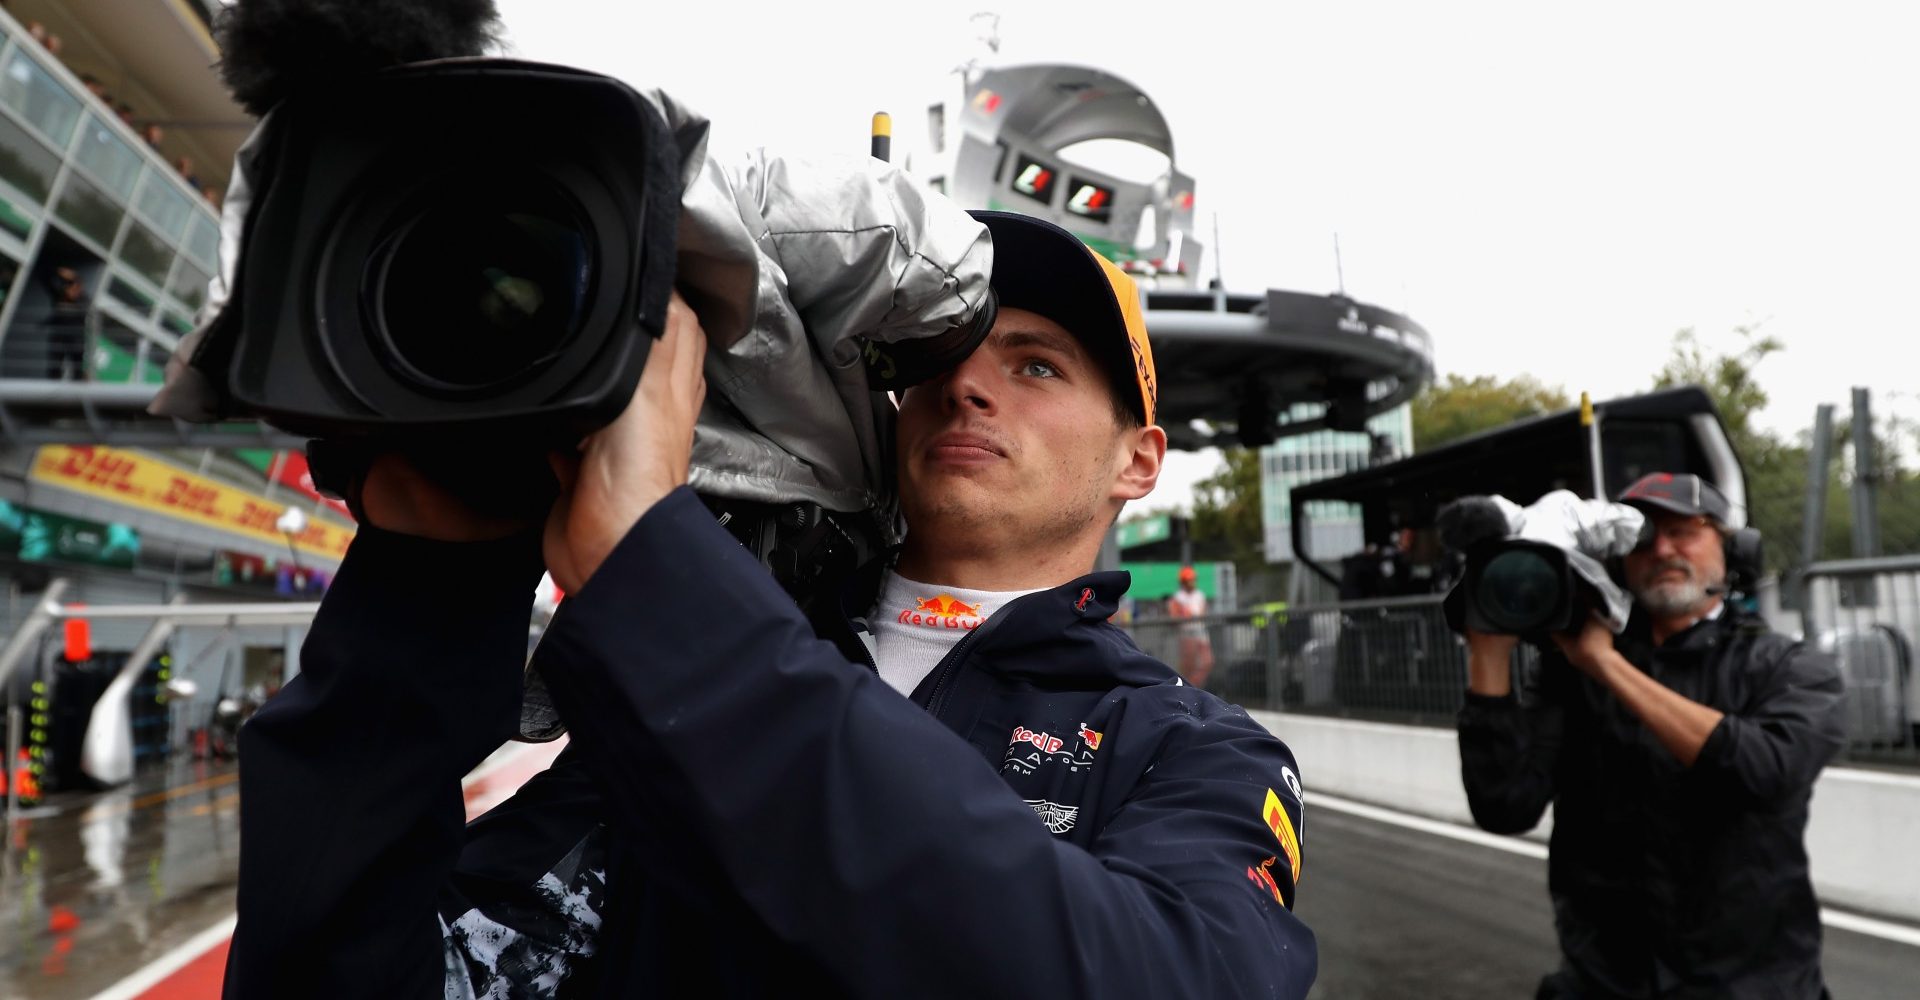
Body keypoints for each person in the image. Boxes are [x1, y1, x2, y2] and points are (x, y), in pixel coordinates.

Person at [228, 211, 1316, 998]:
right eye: (935, 361)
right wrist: (429, 571)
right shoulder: (684, 667)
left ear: (1140, 460)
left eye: (1035, 367)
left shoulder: (1197, 748)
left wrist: (663, 579)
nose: (966, 386)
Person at [1457, 472, 1845, 999]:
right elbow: (1504, 805)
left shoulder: (1787, 666)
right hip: (1603, 981)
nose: (1662, 549)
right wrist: (1489, 648)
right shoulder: (1569, 671)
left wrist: (1605, 664)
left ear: (1734, 551)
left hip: (1752, 984)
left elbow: (1767, 771)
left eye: (1684, 530)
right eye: (1643, 538)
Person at [1167, 564, 1214, 687]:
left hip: (1200, 632)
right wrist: (1183, 615)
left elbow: (1202, 612)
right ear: (1183, 581)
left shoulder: (1199, 595)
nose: (1192, 582)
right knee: (1188, 665)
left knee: (1207, 662)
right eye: (1189, 580)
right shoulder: (1178, 598)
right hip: (1187, 634)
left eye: (1193, 579)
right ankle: (1188, 688)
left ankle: (1192, 687)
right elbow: (1174, 615)